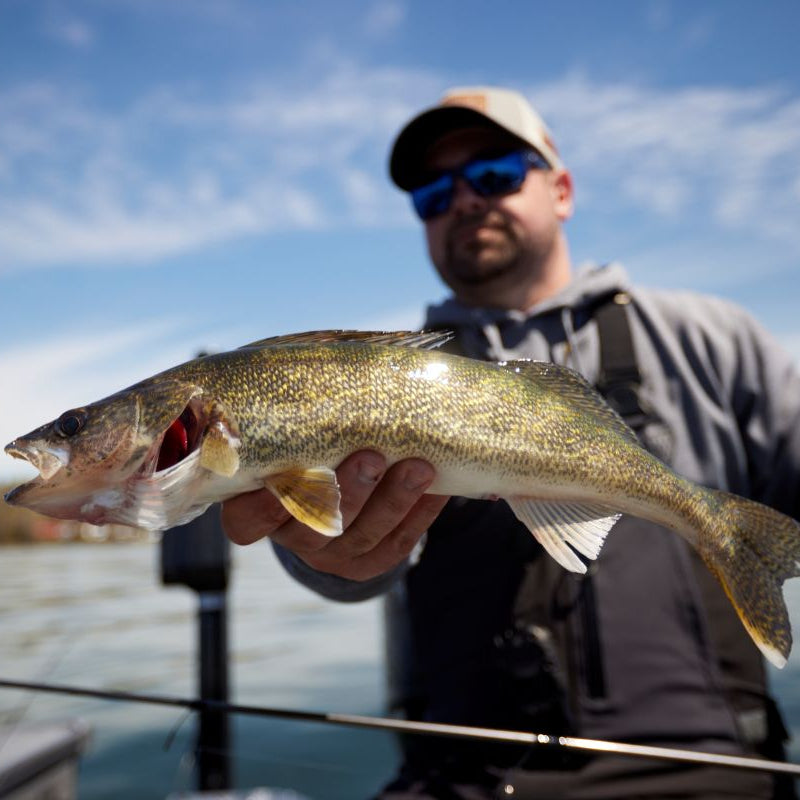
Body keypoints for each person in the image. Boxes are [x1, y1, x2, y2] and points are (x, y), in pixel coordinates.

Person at [222, 86, 800, 798]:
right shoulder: (381, 375)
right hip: (465, 774)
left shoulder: (713, 339)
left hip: (715, 773)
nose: (462, 199)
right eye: (433, 193)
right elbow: (345, 569)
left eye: (493, 174)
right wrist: (327, 554)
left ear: (561, 189)